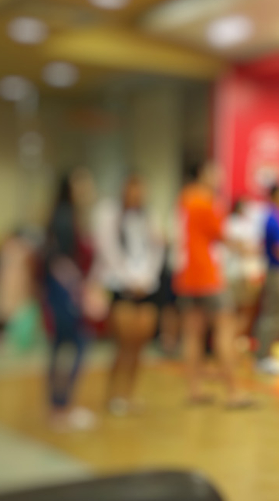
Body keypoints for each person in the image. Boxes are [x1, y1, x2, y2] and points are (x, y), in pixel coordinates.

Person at [173, 161, 252, 408]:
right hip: (207, 275)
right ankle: (233, 392)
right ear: (203, 174)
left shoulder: (184, 199)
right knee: (225, 329)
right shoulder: (208, 201)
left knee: (193, 333)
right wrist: (243, 248)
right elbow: (220, 235)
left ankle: (195, 389)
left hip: (186, 275)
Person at [93, 174, 165, 416]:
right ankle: (113, 393)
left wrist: (147, 279)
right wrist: (128, 279)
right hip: (121, 285)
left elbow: (157, 249)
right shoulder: (109, 214)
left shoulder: (148, 216)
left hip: (146, 285)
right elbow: (108, 248)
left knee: (139, 344)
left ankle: (130, 393)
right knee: (123, 342)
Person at [43, 168, 97, 431]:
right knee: (76, 342)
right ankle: (61, 406)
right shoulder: (64, 218)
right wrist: (76, 289)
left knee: (62, 346)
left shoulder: (68, 216)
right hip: (64, 289)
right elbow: (58, 259)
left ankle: (59, 405)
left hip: (63, 288)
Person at [252, 183, 279, 375]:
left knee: (277, 314)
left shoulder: (278, 217)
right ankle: (262, 356)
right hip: (277, 272)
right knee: (273, 314)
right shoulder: (272, 218)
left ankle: (266, 354)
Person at [223, 197, 266, 341]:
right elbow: (238, 247)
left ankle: (235, 339)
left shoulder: (243, 224)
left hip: (243, 273)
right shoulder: (232, 224)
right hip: (238, 273)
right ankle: (232, 339)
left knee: (244, 309)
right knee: (239, 309)